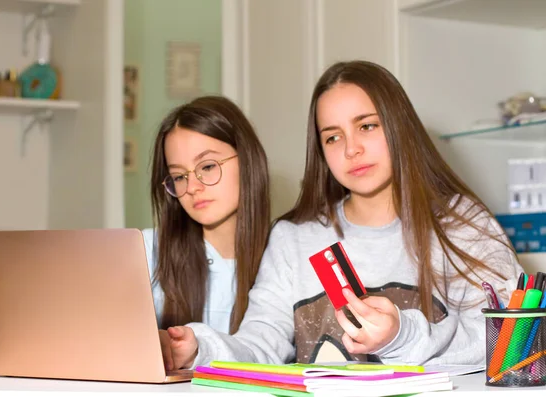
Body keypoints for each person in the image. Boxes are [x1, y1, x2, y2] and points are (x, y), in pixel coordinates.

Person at [161, 61, 522, 369]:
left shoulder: (463, 224)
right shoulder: (293, 236)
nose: (352, 149)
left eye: (367, 126)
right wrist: (200, 348)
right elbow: (261, 344)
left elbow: (508, 347)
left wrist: (400, 335)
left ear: (399, 127)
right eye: (332, 137)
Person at [144, 96, 271, 367]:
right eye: (179, 176)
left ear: (248, 159)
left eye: (208, 166)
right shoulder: (144, 251)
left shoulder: (283, 255)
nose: (192, 186)